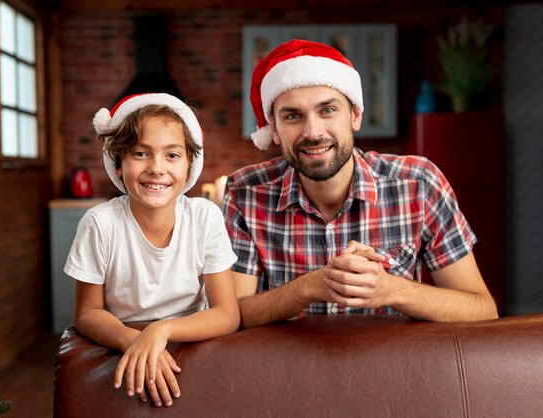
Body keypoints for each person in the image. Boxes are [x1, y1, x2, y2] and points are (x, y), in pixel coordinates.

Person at [223, 39, 498, 329]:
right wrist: (311, 287)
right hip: (289, 372)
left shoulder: (419, 184)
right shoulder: (245, 192)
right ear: (274, 130)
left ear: (355, 116)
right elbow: (231, 316)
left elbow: (481, 309)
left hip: (393, 370)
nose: (313, 132)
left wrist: (392, 290)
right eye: (293, 116)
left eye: (327, 110)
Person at [65, 93, 239, 408]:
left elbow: (227, 314)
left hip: (191, 341)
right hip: (122, 340)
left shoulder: (204, 216)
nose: (157, 168)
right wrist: (136, 341)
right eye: (141, 153)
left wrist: (161, 330)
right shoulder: (100, 223)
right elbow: (88, 313)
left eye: (172, 155)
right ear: (118, 164)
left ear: (190, 166)